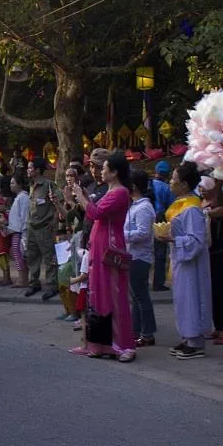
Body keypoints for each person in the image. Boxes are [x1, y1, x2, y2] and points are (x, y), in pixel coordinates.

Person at [67, 152, 136, 362]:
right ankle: (97, 344)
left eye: (104, 168)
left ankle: (123, 345)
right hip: (99, 246)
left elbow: (95, 214)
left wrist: (79, 195)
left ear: (114, 172)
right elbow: (94, 212)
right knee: (97, 295)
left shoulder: (120, 192)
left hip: (109, 249)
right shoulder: (110, 191)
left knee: (114, 295)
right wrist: (82, 197)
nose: (100, 171)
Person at [159, 162, 212, 359]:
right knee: (182, 299)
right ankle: (187, 337)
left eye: (174, 179)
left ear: (184, 184)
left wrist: (173, 239)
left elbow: (197, 240)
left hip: (192, 263)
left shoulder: (191, 208)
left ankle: (196, 341)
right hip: (180, 259)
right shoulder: (181, 203)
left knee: (192, 298)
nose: (170, 182)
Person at [125, 169, 157, 348]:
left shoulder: (144, 207)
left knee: (141, 297)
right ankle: (136, 331)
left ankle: (147, 333)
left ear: (134, 186)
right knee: (136, 296)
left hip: (140, 257)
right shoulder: (135, 205)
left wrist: (122, 235)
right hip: (133, 256)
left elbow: (143, 233)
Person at [24, 157, 60, 300]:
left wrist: (55, 219)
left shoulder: (48, 185)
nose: (28, 170)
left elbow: (59, 202)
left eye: (30, 168)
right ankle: (34, 283)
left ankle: (52, 285)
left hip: (44, 227)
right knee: (32, 256)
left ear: (38, 170)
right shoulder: (31, 185)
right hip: (31, 227)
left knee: (49, 257)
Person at [199, 176, 223, 343]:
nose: (202, 190)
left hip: (219, 252)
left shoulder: (217, 205)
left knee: (219, 290)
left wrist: (207, 212)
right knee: (213, 291)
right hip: (209, 252)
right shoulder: (203, 203)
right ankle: (218, 327)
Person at [151, 161, 175, 291]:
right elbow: (171, 206)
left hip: (145, 217)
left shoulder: (149, 184)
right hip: (160, 220)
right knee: (160, 252)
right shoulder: (167, 188)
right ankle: (158, 282)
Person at [6, 171, 29, 287]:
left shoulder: (23, 198)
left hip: (20, 232)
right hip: (16, 231)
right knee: (18, 255)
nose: (11, 185)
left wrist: (24, 234)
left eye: (13, 183)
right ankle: (23, 279)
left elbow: (24, 216)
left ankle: (22, 280)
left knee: (19, 255)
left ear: (19, 184)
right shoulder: (19, 197)